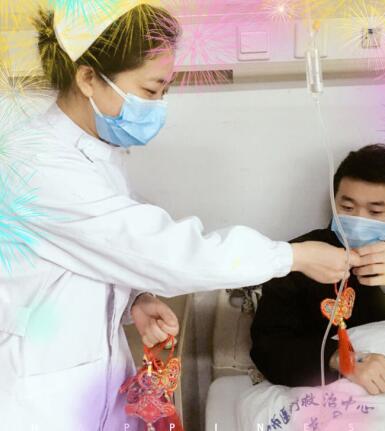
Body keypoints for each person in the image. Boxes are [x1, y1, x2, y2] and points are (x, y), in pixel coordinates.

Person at [0, 2, 358, 431]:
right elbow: (165, 252)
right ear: (88, 78)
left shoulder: (95, 155)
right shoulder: (38, 165)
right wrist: (293, 257)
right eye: (151, 90)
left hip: (88, 374)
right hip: (38, 397)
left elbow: (97, 250)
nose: (158, 106)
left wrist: (135, 299)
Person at [251, 144, 385, 395]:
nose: (358, 219)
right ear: (334, 203)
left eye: (375, 211)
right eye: (347, 208)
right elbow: (268, 345)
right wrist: (340, 359)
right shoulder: (299, 258)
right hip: (334, 390)